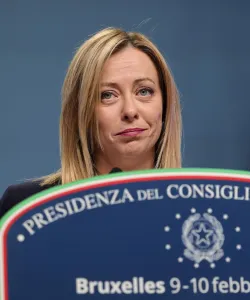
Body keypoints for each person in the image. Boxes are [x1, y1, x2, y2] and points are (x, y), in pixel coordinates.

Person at [0, 27, 182, 219]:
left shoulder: (198, 206)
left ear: (166, 103)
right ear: (81, 112)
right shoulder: (23, 209)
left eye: (144, 91)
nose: (130, 111)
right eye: (107, 95)